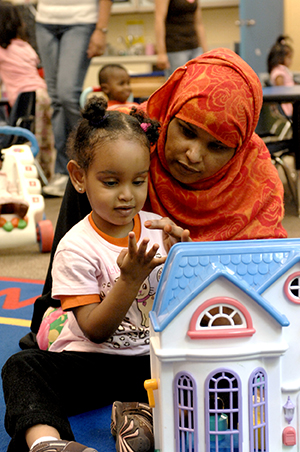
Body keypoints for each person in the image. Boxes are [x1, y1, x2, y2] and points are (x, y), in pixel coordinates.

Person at [19, 48, 287, 347]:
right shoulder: (125, 141)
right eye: (186, 131)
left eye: (217, 147)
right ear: (169, 113)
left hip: (198, 333)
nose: (193, 155)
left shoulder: (256, 180)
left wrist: (189, 265)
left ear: (237, 150)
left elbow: (267, 295)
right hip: (98, 321)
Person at [1, 96, 190, 452]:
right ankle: (46, 442)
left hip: (148, 364)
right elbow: (95, 330)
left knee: (202, 364)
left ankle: (137, 417)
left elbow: (181, 314)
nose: (127, 195)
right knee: (22, 367)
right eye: (111, 182)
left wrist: (184, 258)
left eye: (138, 181)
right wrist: (130, 280)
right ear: (78, 177)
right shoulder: (76, 247)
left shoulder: (156, 230)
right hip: (92, 362)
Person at [37, 0, 113, 197]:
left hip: (81, 20)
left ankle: (87, 159)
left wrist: (101, 30)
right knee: (55, 99)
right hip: (44, 20)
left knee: (67, 94)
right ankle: (63, 171)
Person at [0, 1, 55, 181]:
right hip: (42, 93)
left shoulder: (2, 50)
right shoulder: (25, 46)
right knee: (44, 138)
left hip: (24, 96)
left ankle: (30, 178)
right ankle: (45, 175)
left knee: (32, 138)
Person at [155, 0, 208, 79]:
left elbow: (198, 23)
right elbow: (159, 20)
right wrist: (161, 53)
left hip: (195, 47)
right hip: (176, 49)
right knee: (179, 87)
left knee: (199, 83)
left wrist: (206, 52)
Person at [267, 35, 295, 117]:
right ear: (280, 58)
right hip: (286, 105)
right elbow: (280, 91)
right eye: (289, 58)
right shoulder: (278, 73)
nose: (291, 61)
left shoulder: (283, 70)